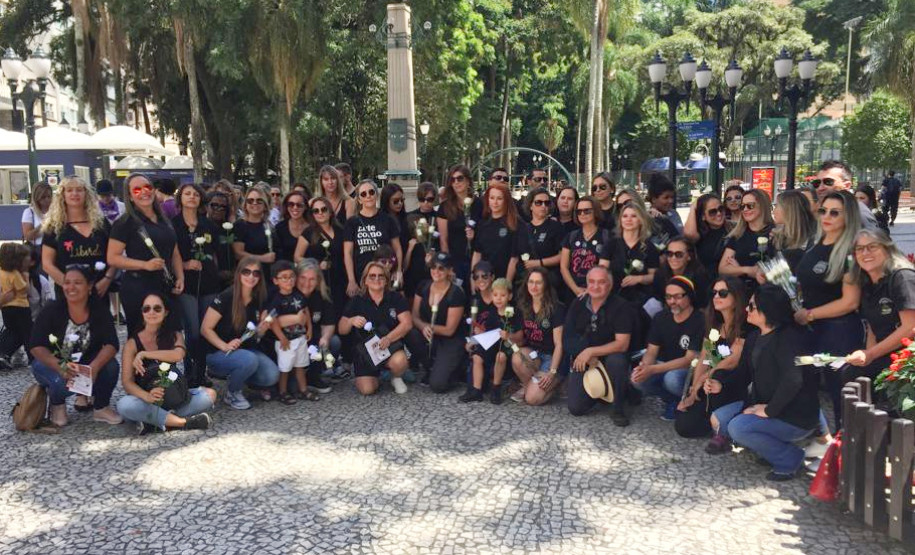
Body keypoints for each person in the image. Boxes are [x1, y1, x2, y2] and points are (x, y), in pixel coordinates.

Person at [710, 285, 821, 481]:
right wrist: (720, 383)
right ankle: (773, 449)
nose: (746, 309)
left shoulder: (789, 338)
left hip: (794, 414)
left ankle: (789, 459)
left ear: (768, 310)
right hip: (764, 405)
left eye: (752, 306)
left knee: (738, 428)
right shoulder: (754, 336)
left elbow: (793, 379)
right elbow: (743, 373)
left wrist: (769, 410)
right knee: (720, 419)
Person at [794, 190, 863, 430]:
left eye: (835, 213)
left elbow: (850, 302)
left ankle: (846, 453)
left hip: (838, 331)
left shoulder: (851, 252)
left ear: (848, 217)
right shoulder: (816, 242)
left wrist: (810, 314)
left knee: (839, 394)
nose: (827, 216)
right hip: (810, 327)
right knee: (806, 387)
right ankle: (821, 439)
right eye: (824, 210)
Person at [29, 265, 122, 427]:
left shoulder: (99, 309)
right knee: (60, 380)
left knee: (111, 367)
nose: (71, 287)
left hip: (86, 361)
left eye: (77, 283)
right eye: (67, 282)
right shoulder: (52, 309)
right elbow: (36, 345)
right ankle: (57, 404)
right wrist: (58, 365)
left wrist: (95, 366)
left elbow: (112, 343)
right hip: (52, 362)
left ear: (89, 286)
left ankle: (101, 407)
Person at [116, 292, 215, 433]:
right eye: (147, 309)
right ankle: (182, 422)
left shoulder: (175, 335)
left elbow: (178, 355)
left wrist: (144, 354)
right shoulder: (132, 343)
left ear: (166, 312)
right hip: (145, 399)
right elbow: (127, 382)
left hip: (173, 395)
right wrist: (147, 396)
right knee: (124, 405)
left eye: (157, 308)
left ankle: (154, 421)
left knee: (210, 395)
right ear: (142, 313)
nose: (151, 312)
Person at [107, 173, 184, 332]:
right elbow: (113, 258)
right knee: (141, 337)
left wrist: (180, 276)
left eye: (147, 187)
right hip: (139, 286)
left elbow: (174, 252)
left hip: (165, 286)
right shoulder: (125, 223)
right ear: (129, 196)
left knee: (169, 335)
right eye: (136, 190)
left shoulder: (163, 219)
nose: (144, 192)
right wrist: (144, 265)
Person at [201, 257, 280, 409]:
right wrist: (224, 346)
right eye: (246, 272)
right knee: (249, 359)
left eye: (256, 273)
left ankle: (241, 377)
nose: (251, 276)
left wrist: (261, 331)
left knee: (272, 375)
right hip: (217, 353)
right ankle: (232, 393)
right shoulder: (225, 296)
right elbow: (205, 329)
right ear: (238, 274)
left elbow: (254, 336)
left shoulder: (258, 299)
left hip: (244, 351)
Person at [676, 277, 748, 442]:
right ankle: (713, 421)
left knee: (719, 374)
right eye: (714, 293)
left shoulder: (745, 325)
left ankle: (723, 423)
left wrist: (705, 376)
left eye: (722, 293)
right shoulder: (715, 324)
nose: (716, 297)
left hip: (731, 384)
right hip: (709, 386)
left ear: (737, 297)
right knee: (683, 425)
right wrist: (694, 391)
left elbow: (732, 360)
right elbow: (704, 357)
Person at [564, 266, 634, 426]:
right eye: (591, 282)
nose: (595, 286)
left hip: (610, 355)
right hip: (584, 358)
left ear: (610, 285)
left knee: (617, 361)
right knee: (576, 408)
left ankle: (618, 407)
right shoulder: (578, 303)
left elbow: (622, 344)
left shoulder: (621, 306)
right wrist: (585, 354)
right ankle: (603, 392)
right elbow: (567, 338)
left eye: (601, 282)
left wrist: (591, 351)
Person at [632, 276, 704, 420]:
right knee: (637, 379)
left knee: (672, 379)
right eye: (669, 297)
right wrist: (644, 366)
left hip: (689, 370)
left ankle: (687, 399)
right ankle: (672, 400)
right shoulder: (660, 317)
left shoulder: (700, 320)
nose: (672, 301)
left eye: (678, 296)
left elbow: (689, 360)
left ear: (689, 296)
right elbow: (652, 350)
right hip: (663, 365)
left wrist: (652, 369)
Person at [847, 229, 915, 381]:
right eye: (860, 249)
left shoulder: (902, 277)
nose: (865, 253)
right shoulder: (867, 282)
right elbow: (873, 326)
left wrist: (871, 355)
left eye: (872, 247)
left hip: (907, 359)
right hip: (886, 355)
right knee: (853, 373)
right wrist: (868, 355)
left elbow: (910, 327)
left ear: (887, 249)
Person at [338, 261, 413, 396]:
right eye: (372, 276)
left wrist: (389, 338)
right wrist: (351, 320)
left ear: (386, 280)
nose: (376, 279)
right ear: (365, 280)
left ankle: (395, 377)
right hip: (366, 352)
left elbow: (407, 324)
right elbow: (342, 329)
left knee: (400, 361)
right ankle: (378, 376)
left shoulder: (396, 298)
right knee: (367, 390)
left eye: (381, 276)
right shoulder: (356, 300)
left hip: (389, 346)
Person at [172, 182, 220, 388]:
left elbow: (218, 252)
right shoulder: (172, 225)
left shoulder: (208, 225)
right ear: (180, 198)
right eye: (187, 194)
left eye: (195, 194)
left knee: (205, 330)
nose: (191, 197)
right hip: (186, 285)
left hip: (208, 282)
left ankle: (202, 372)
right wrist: (184, 264)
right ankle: (190, 372)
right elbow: (168, 256)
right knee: (191, 330)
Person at [41, 175, 116, 300]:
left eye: (79, 190)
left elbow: (114, 256)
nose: (74, 193)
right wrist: (69, 285)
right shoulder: (53, 227)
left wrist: (107, 280)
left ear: (86, 193)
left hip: (98, 292)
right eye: (69, 190)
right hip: (67, 295)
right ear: (62, 195)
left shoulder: (101, 224)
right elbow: (47, 264)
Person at [407, 252, 467, 393]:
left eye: (441, 268)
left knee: (438, 386)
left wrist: (430, 327)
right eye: (433, 267)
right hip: (429, 334)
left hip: (450, 339)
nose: (436, 271)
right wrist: (424, 327)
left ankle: (457, 368)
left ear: (449, 271)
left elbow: (450, 329)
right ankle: (431, 367)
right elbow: (414, 316)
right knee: (411, 333)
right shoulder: (423, 286)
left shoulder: (456, 293)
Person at [607, 198, 660, 349]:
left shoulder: (648, 247)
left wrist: (639, 278)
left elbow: (654, 276)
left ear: (641, 220)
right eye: (625, 216)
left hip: (640, 300)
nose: (628, 219)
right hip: (616, 296)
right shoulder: (612, 244)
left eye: (633, 216)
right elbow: (602, 269)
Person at [509, 268, 565, 406]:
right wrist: (509, 336)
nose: (533, 286)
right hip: (535, 355)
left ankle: (556, 382)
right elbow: (521, 338)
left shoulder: (556, 308)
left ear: (545, 285)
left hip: (552, 358)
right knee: (517, 357)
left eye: (538, 283)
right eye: (531, 282)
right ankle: (530, 385)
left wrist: (552, 372)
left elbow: (559, 344)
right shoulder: (524, 306)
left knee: (532, 399)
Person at [461, 277, 519, 403]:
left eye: (503, 295)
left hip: (507, 345)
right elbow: (487, 332)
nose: (498, 298)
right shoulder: (492, 311)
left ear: (509, 296)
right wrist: (475, 339)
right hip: (492, 342)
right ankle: (477, 390)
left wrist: (509, 335)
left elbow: (520, 334)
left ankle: (496, 388)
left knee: (500, 356)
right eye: (495, 295)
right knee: (477, 357)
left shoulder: (514, 313)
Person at [267, 261, 316, 404]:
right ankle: (282, 392)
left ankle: (303, 390)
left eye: (291, 277)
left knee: (301, 365)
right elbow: (272, 320)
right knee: (285, 368)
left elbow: (306, 310)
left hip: (300, 338)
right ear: (276, 281)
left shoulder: (298, 295)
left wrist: (309, 328)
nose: (289, 280)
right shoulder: (276, 300)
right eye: (284, 277)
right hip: (286, 341)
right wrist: (281, 337)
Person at [344, 180, 403, 299]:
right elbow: (348, 253)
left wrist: (399, 271)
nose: (368, 196)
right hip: (362, 277)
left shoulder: (388, 220)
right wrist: (351, 280)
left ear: (377, 194)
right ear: (359, 200)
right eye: (363, 194)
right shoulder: (352, 222)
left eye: (371, 192)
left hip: (385, 276)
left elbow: (397, 248)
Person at [294, 196, 346, 320]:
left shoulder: (341, 230)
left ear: (330, 211)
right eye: (316, 211)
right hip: (319, 282)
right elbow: (297, 257)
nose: (320, 213)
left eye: (323, 209)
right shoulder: (308, 232)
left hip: (340, 280)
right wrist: (316, 264)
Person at [296, 259, 344, 386]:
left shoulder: (322, 295)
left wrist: (325, 338)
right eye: (303, 278)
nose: (307, 283)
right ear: (296, 277)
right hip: (292, 342)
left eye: (312, 279)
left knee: (333, 342)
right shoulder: (288, 294)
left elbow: (328, 323)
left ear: (318, 281)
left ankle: (315, 374)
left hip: (313, 341)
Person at [718, 188, 774, 291]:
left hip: (768, 293)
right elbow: (723, 269)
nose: (745, 210)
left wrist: (737, 269)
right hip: (741, 292)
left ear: (763, 206)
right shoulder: (738, 234)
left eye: (750, 206)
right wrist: (747, 270)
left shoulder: (774, 233)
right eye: (742, 206)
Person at [436, 164, 482, 287]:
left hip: (477, 259)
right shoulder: (445, 207)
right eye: (452, 179)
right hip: (455, 261)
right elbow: (443, 240)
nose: (456, 182)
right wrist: (448, 266)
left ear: (468, 180)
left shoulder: (480, 204)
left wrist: (474, 235)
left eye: (460, 178)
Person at [560, 196, 610, 299]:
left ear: (595, 211)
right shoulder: (571, 236)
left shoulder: (606, 236)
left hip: (598, 292)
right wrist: (575, 289)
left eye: (586, 211)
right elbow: (563, 267)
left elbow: (605, 268)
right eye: (579, 211)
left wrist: (590, 290)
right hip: (573, 292)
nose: (582, 214)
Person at [471, 181, 520, 285]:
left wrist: (506, 284)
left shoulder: (515, 223)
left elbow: (514, 258)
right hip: (484, 282)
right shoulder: (483, 223)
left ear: (506, 200)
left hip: (505, 282)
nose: (495, 202)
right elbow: (477, 253)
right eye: (492, 198)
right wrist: (474, 280)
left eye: (499, 198)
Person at [518, 187, 565, 291]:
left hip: (548, 281)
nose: (543, 206)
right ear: (530, 205)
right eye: (538, 202)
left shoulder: (556, 226)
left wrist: (539, 263)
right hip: (527, 281)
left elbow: (562, 256)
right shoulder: (522, 229)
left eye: (547, 203)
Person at [812, 160, 878, 230]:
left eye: (828, 182)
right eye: (817, 183)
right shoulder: (815, 211)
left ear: (846, 185)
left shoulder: (859, 214)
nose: (820, 188)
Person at [652, 237, 709, 309]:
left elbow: (703, 304)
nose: (673, 258)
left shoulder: (700, 276)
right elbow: (659, 299)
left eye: (679, 254)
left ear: (689, 256)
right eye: (669, 254)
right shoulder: (660, 274)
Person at [0, 243, 32, 368]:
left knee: (12, 332)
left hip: (6, 308)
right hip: (21, 307)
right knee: (27, 333)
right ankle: (32, 358)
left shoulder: (2, 272)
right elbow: (23, 288)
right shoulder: (14, 273)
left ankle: (4, 353)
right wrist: (26, 277)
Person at [683, 193, 729, 279]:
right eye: (712, 212)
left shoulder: (732, 228)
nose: (718, 214)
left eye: (721, 209)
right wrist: (693, 208)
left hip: (729, 280)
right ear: (703, 216)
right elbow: (689, 234)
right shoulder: (700, 232)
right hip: (707, 281)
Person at [233, 186, 275, 274]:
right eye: (250, 201)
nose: (254, 203)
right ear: (245, 204)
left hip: (266, 274)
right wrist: (262, 258)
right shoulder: (240, 225)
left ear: (265, 205)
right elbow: (238, 254)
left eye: (259, 201)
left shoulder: (268, 226)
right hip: (247, 274)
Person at [771, 189, 817, 270]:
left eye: (777, 206)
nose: (774, 211)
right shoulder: (778, 235)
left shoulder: (813, 237)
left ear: (789, 209)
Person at [206, 191, 235, 289]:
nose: (218, 209)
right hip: (208, 281)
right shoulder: (201, 227)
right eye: (214, 205)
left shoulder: (230, 229)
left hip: (230, 281)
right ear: (207, 206)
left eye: (223, 207)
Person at [274, 190, 310, 262]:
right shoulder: (279, 228)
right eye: (291, 204)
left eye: (299, 205)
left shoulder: (313, 228)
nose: (295, 207)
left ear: (305, 207)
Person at [645, 173, 683, 240]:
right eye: (666, 197)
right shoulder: (647, 218)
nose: (671, 201)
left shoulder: (674, 214)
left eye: (672, 197)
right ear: (654, 199)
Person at [381, 183, 409, 251]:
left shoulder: (406, 218)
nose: (400, 203)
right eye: (395, 201)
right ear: (387, 201)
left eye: (402, 200)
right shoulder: (380, 218)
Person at [22, 181, 52, 246]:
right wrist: (44, 224)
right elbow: (28, 236)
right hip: (37, 249)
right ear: (37, 198)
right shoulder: (29, 212)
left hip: (55, 248)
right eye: (43, 197)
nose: (47, 200)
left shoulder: (56, 211)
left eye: (49, 196)